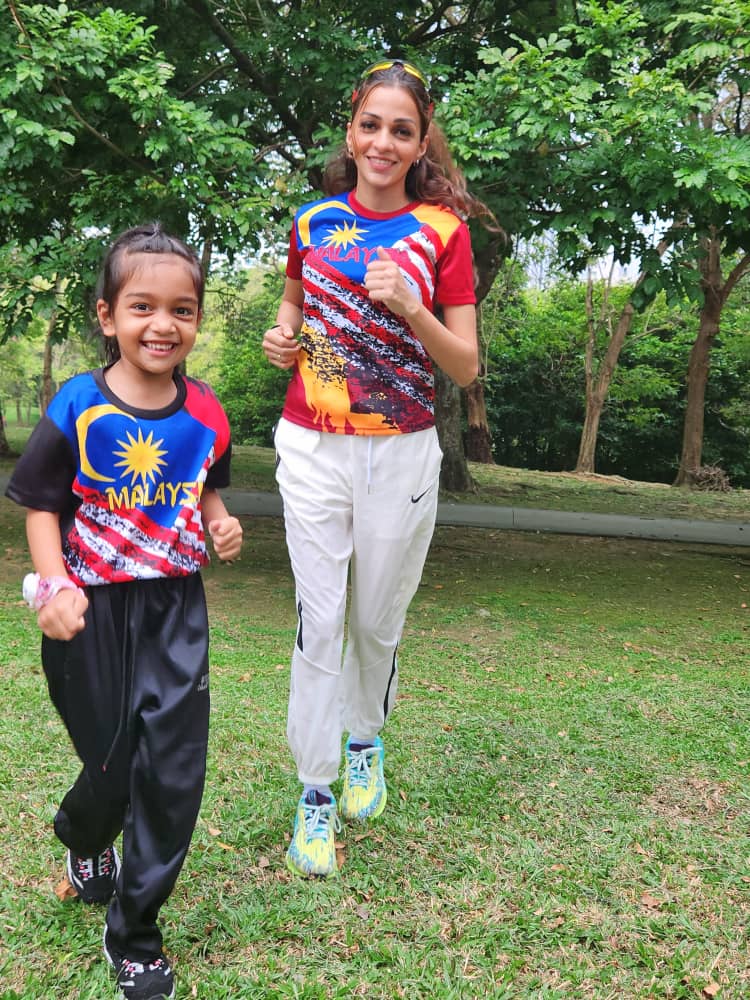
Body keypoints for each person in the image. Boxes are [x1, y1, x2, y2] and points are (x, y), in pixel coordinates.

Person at [261, 58, 491, 878]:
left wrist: (412, 307)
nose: (383, 141)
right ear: (350, 130)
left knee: (374, 621)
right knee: (319, 621)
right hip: (312, 445)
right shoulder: (313, 221)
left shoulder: (443, 232)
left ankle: (366, 740)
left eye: (402, 128)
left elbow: (464, 367)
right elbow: (294, 306)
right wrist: (280, 337)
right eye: (371, 125)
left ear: (421, 138)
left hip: (402, 453)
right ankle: (315, 795)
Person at [5, 223, 243, 1000]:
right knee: (109, 762)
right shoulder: (77, 403)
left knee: (170, 773)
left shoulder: (207, 410)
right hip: (90, 612)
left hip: (176, 608)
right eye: (143, 306)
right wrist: (54, 588)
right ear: (109, 316)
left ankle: (136, 934)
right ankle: (83, 838)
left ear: (198, 320)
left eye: (182, 309)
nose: (163, 324)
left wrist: (216, 519)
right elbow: (40, 504)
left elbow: (206, 479)